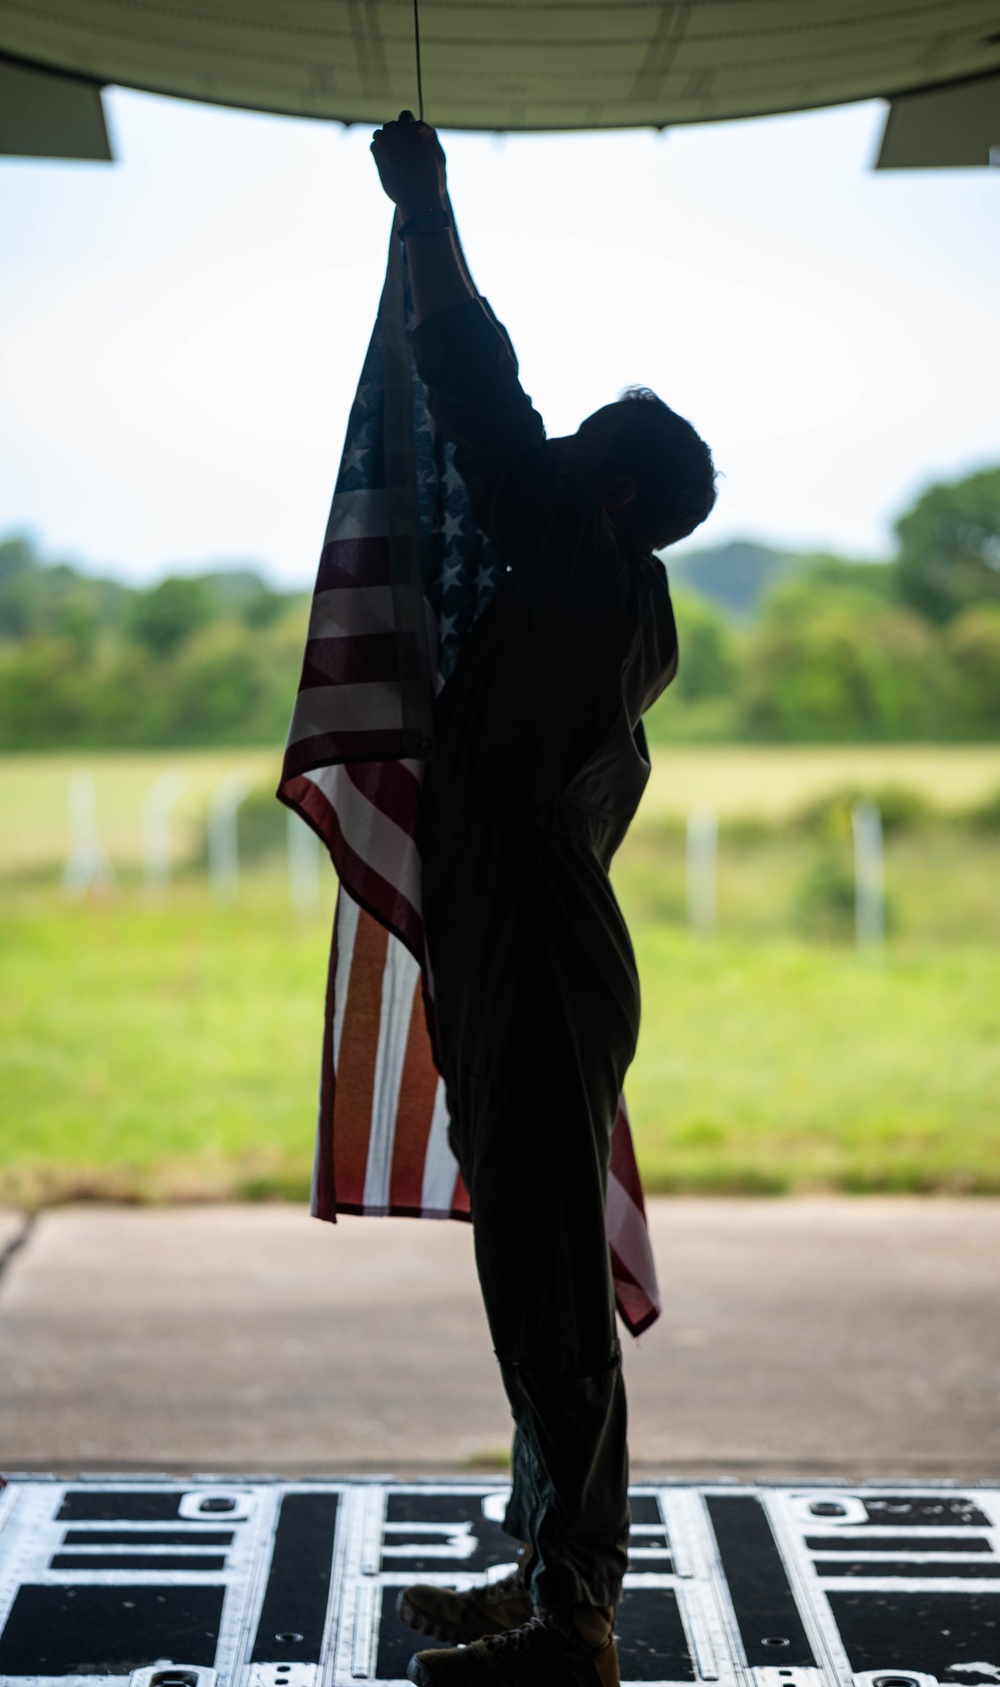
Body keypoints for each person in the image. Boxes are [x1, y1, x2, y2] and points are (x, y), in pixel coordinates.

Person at [370, 113, 717, 1687]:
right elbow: (515, 433)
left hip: (543, 959)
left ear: (618, 491)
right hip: (535, 950)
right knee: (526, 1265)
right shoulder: (606, 605)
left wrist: (429, 211)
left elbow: (482, 407)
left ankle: (573, 1618)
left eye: (588, 442)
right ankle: (546, 1576)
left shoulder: (589, 579)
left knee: (551, 1287)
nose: (555, 451)